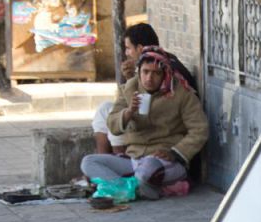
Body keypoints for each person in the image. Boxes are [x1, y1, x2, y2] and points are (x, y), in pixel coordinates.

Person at [80, 47, 208, 199]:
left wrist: (175, 152)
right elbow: (112, 125)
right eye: (145, 72)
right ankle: (131, 189)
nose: (149, 78)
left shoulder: (181, 93)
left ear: (165, 74)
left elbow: (200, 129)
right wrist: (128, 112)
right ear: (139, 71)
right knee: (88, 162)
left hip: (164, 162)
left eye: (156, 73)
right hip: (134, 160)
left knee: (149, 168)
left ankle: (128, 188)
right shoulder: (129, 89)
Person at [91, 23, 197, 154]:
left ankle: (121, 160)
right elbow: (134, 98)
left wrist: (131, 83)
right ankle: (107, 160)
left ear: (140, 49)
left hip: (161, 127)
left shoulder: (164, 68)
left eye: (128, 48)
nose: (126, 53)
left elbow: (152, 97)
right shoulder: (160, 61)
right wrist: (131, 78)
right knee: (106, 109)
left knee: (111, 112)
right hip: (149, 119)